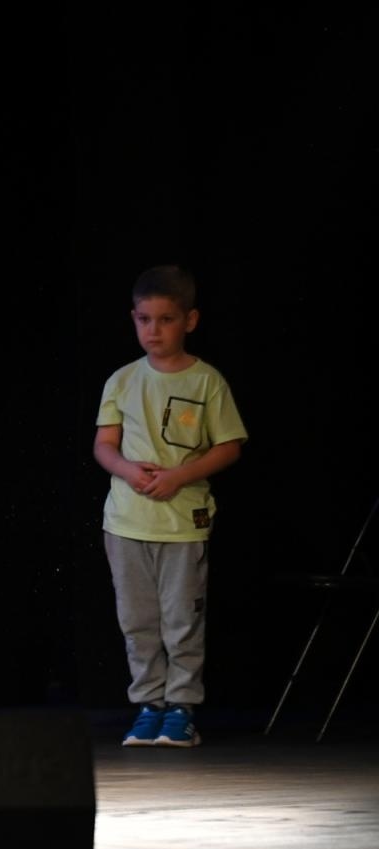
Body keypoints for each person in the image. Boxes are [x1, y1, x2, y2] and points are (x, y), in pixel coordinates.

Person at [94, 266, 246, 749]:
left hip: (182, 524)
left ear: (190, 320)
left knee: (181, 620)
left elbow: (229, 445)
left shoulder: (207, 381)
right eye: (144, 320)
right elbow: (103, 445)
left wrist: (179, 476)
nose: (153, 331)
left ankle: (181, 706)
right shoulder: (122, 379)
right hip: (127, 523)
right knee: (137, 621)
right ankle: (149, 704)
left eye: (165, 320)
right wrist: (126, 469)